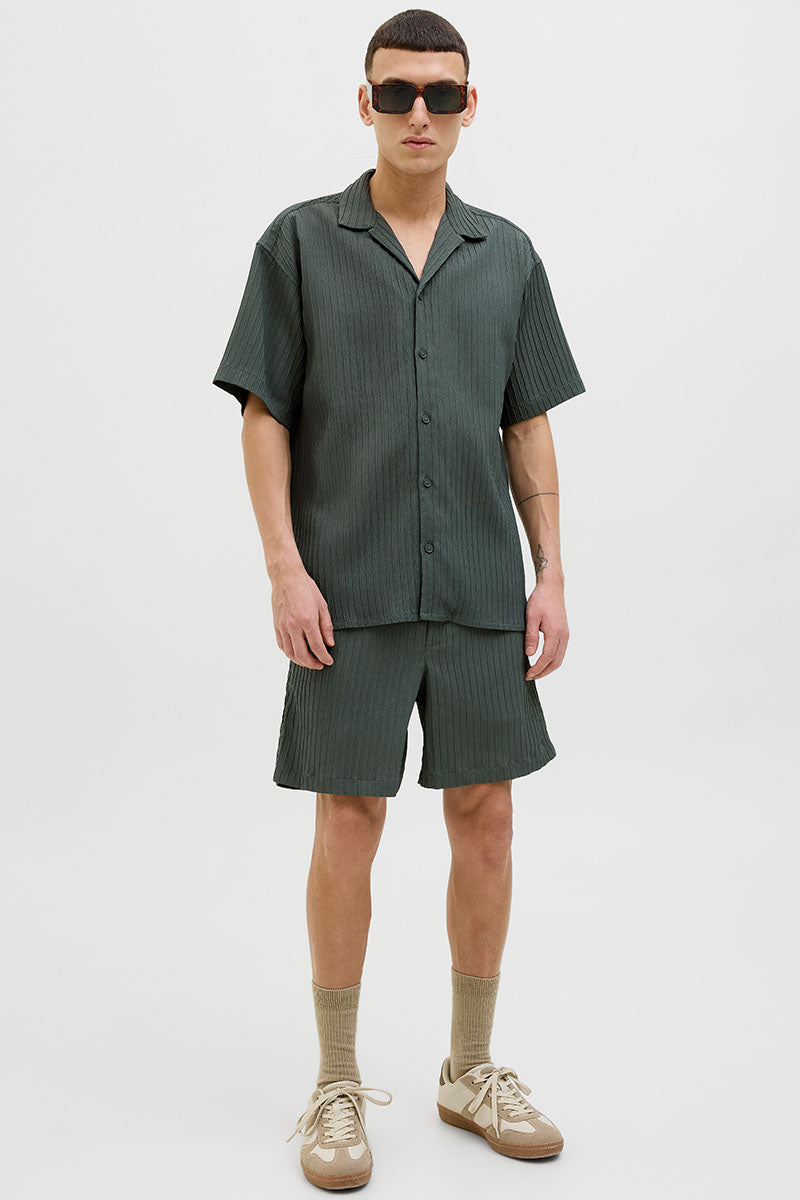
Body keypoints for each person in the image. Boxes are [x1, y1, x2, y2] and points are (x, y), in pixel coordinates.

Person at [212, 8, 586, 1190]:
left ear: (470, 105)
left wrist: (550, 573)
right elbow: (263, 414)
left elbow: (525, 422)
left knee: (488, 818)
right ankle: (334, 1082)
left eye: (439, 93)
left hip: (478, 587)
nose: (416, 114)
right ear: (363, 103)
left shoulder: (506, 254)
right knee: (348, 822)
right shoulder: (299, 243)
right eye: (394, 93)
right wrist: (283, 566)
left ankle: (468, 1069)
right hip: (349, 590)